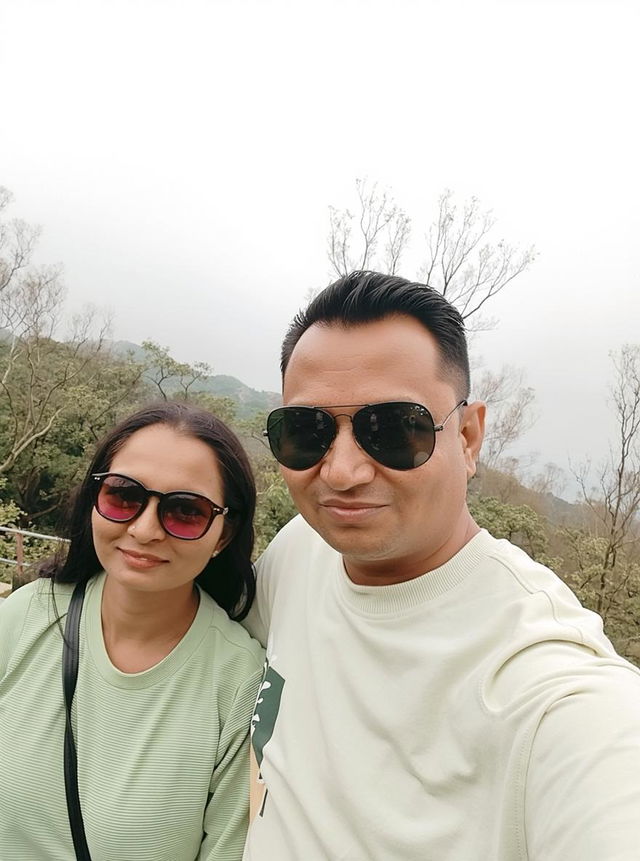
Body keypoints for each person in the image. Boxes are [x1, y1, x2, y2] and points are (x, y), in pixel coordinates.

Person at [243, 271, 640, 860]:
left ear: (470, 436)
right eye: (307, 431)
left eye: (394, 430)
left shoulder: (549, 688)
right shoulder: (301, 549)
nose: (342, 472)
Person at [0, 401, 264, 860]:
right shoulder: (27, 616)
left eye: (186, 511)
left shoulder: (242, 684)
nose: (144, 530)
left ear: (223, 534)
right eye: (123, 496)